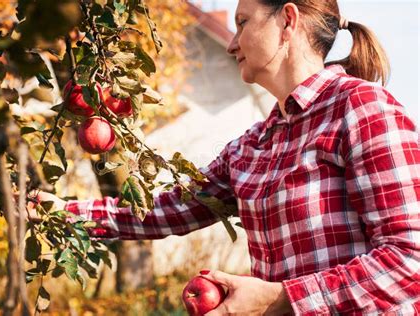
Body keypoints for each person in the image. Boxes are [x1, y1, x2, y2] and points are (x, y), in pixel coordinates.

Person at [31, 0, 420, 314]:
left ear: (287, 20)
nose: (233, 43)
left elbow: (410, 261)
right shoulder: (254, 147)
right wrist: (63, 211)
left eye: (243, 22)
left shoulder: (361, 109)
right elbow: (165, 209)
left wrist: (281, 298)